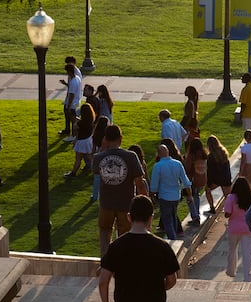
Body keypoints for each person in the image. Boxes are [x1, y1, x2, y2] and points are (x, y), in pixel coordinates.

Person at [94, 125, 145, 256]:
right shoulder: (131, 156)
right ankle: (123, 263)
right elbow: (139, 183)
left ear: (105, 139)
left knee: (105, 232)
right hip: (126, 204)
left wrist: (104, 148)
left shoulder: (98, 158)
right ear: (121, 138)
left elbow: (97, 172)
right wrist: (144, 202)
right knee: (125, 236)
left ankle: (105, 262)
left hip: (106, 204)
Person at [149, 144, 193, 242]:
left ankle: (173, 239)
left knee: (167, 219)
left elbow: (154, 184)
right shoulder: (177, 164)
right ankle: (175, 234)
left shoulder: (158, 166)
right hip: (176, 196)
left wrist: (152, 196)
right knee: (173, 216)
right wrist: (189, 195)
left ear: (159, 154)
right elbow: (185, 181)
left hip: (164, 196)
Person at [223, 176, 251, 281]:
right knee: (247, 253)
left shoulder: (231, 198)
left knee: (232, 250)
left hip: (234, 229)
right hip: (248, 229)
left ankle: (231, 271)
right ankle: (248, 275)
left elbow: (227, 214)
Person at [205, 135, 234, 216]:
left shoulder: (211, 157)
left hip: (216, 180)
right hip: (225, 178)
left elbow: (210, 172)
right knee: (228, 197)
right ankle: (232, 211)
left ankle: (212, 208)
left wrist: (208, 184)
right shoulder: (224, 152)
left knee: (207, 191)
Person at [184, 137, 211, 225]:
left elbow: (187, 168)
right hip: (202, 179)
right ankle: (197, 215)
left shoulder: (191, 156)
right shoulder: (204, 155)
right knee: (197, 196)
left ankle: (195, 217)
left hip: (193, 180)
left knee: (190, 198)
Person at [66, 102, 96, 177]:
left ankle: (73, 173)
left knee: (78, 159)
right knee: (90, 157)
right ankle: (96, 172)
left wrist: (75, 122)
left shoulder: (80, 123)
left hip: (81, 141)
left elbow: (75, 130)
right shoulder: (91, 121)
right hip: (88, 140)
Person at [60, 61, 82, 140]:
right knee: (72, 119)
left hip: (72, 104)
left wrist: (68, 106)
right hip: (75, 103)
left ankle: (73, 135)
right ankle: (72, 133)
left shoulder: (73, 81)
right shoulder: (77, 79)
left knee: (72, 119)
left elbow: (71, 94)